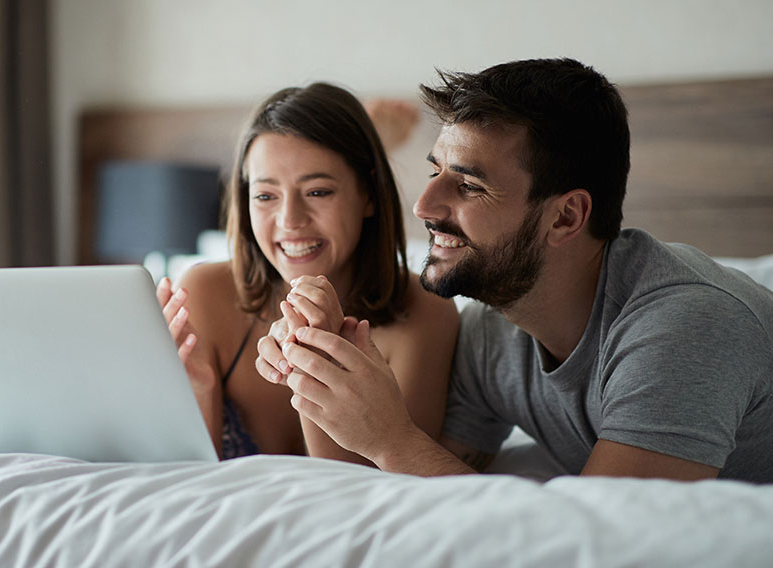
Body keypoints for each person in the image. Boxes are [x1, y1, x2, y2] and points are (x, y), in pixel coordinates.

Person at [256, 58, 773, 483]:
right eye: (435, 171)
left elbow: (598, 543)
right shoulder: (493, 328)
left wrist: (394, 440)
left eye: (469, 185)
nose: (423, 206)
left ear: (566, 216)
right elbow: (412, 486)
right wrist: (318, 362)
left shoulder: (687, 327)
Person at [156, 82, 459, 462]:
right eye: (266, 196)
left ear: (368, 195)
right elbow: (196, 485)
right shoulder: (203, 292)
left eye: (318, 192)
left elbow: (371, 495)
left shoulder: (424, 312)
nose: (290, 220)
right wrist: (197, 391)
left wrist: (317, 352)